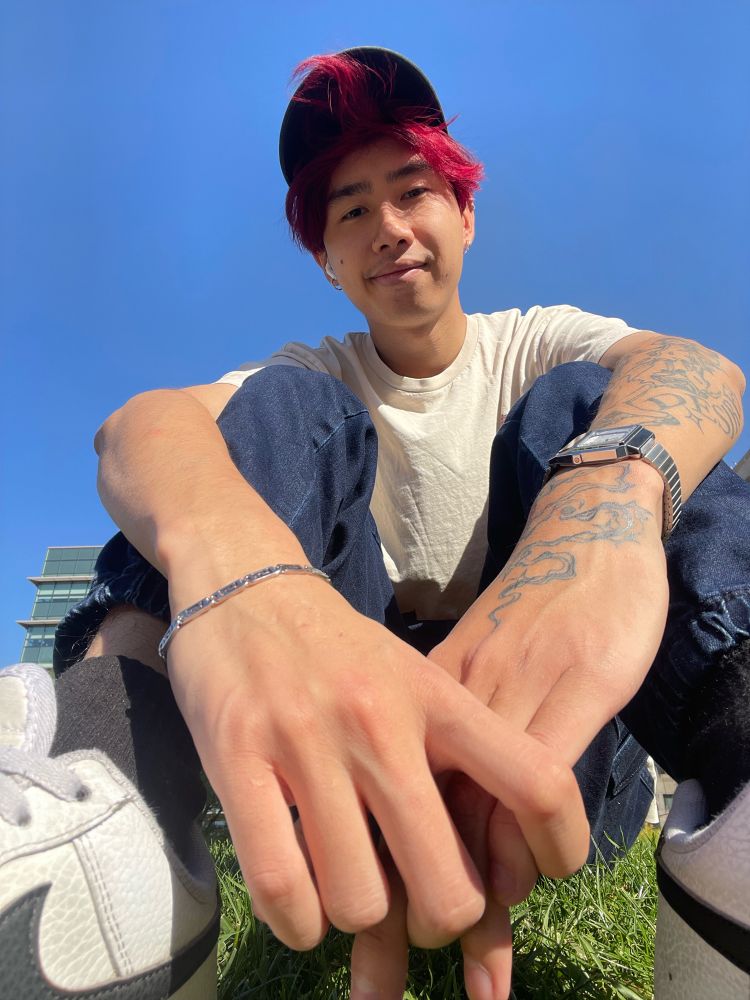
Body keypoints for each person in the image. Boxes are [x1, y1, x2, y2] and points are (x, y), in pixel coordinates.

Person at [2, 47, 749, 1000]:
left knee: (591, 403)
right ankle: (107, 786)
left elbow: (698, 369)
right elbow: (140, 430)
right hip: (345, 761)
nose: (390, 228)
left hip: (555, 769)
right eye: (351, 212)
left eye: (414, 191)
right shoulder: (314, 375)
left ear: (466, 215)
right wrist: (242, 570)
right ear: (326, 261)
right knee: (272, 412)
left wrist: (599, 508)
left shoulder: (536, 339)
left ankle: (742, 747)